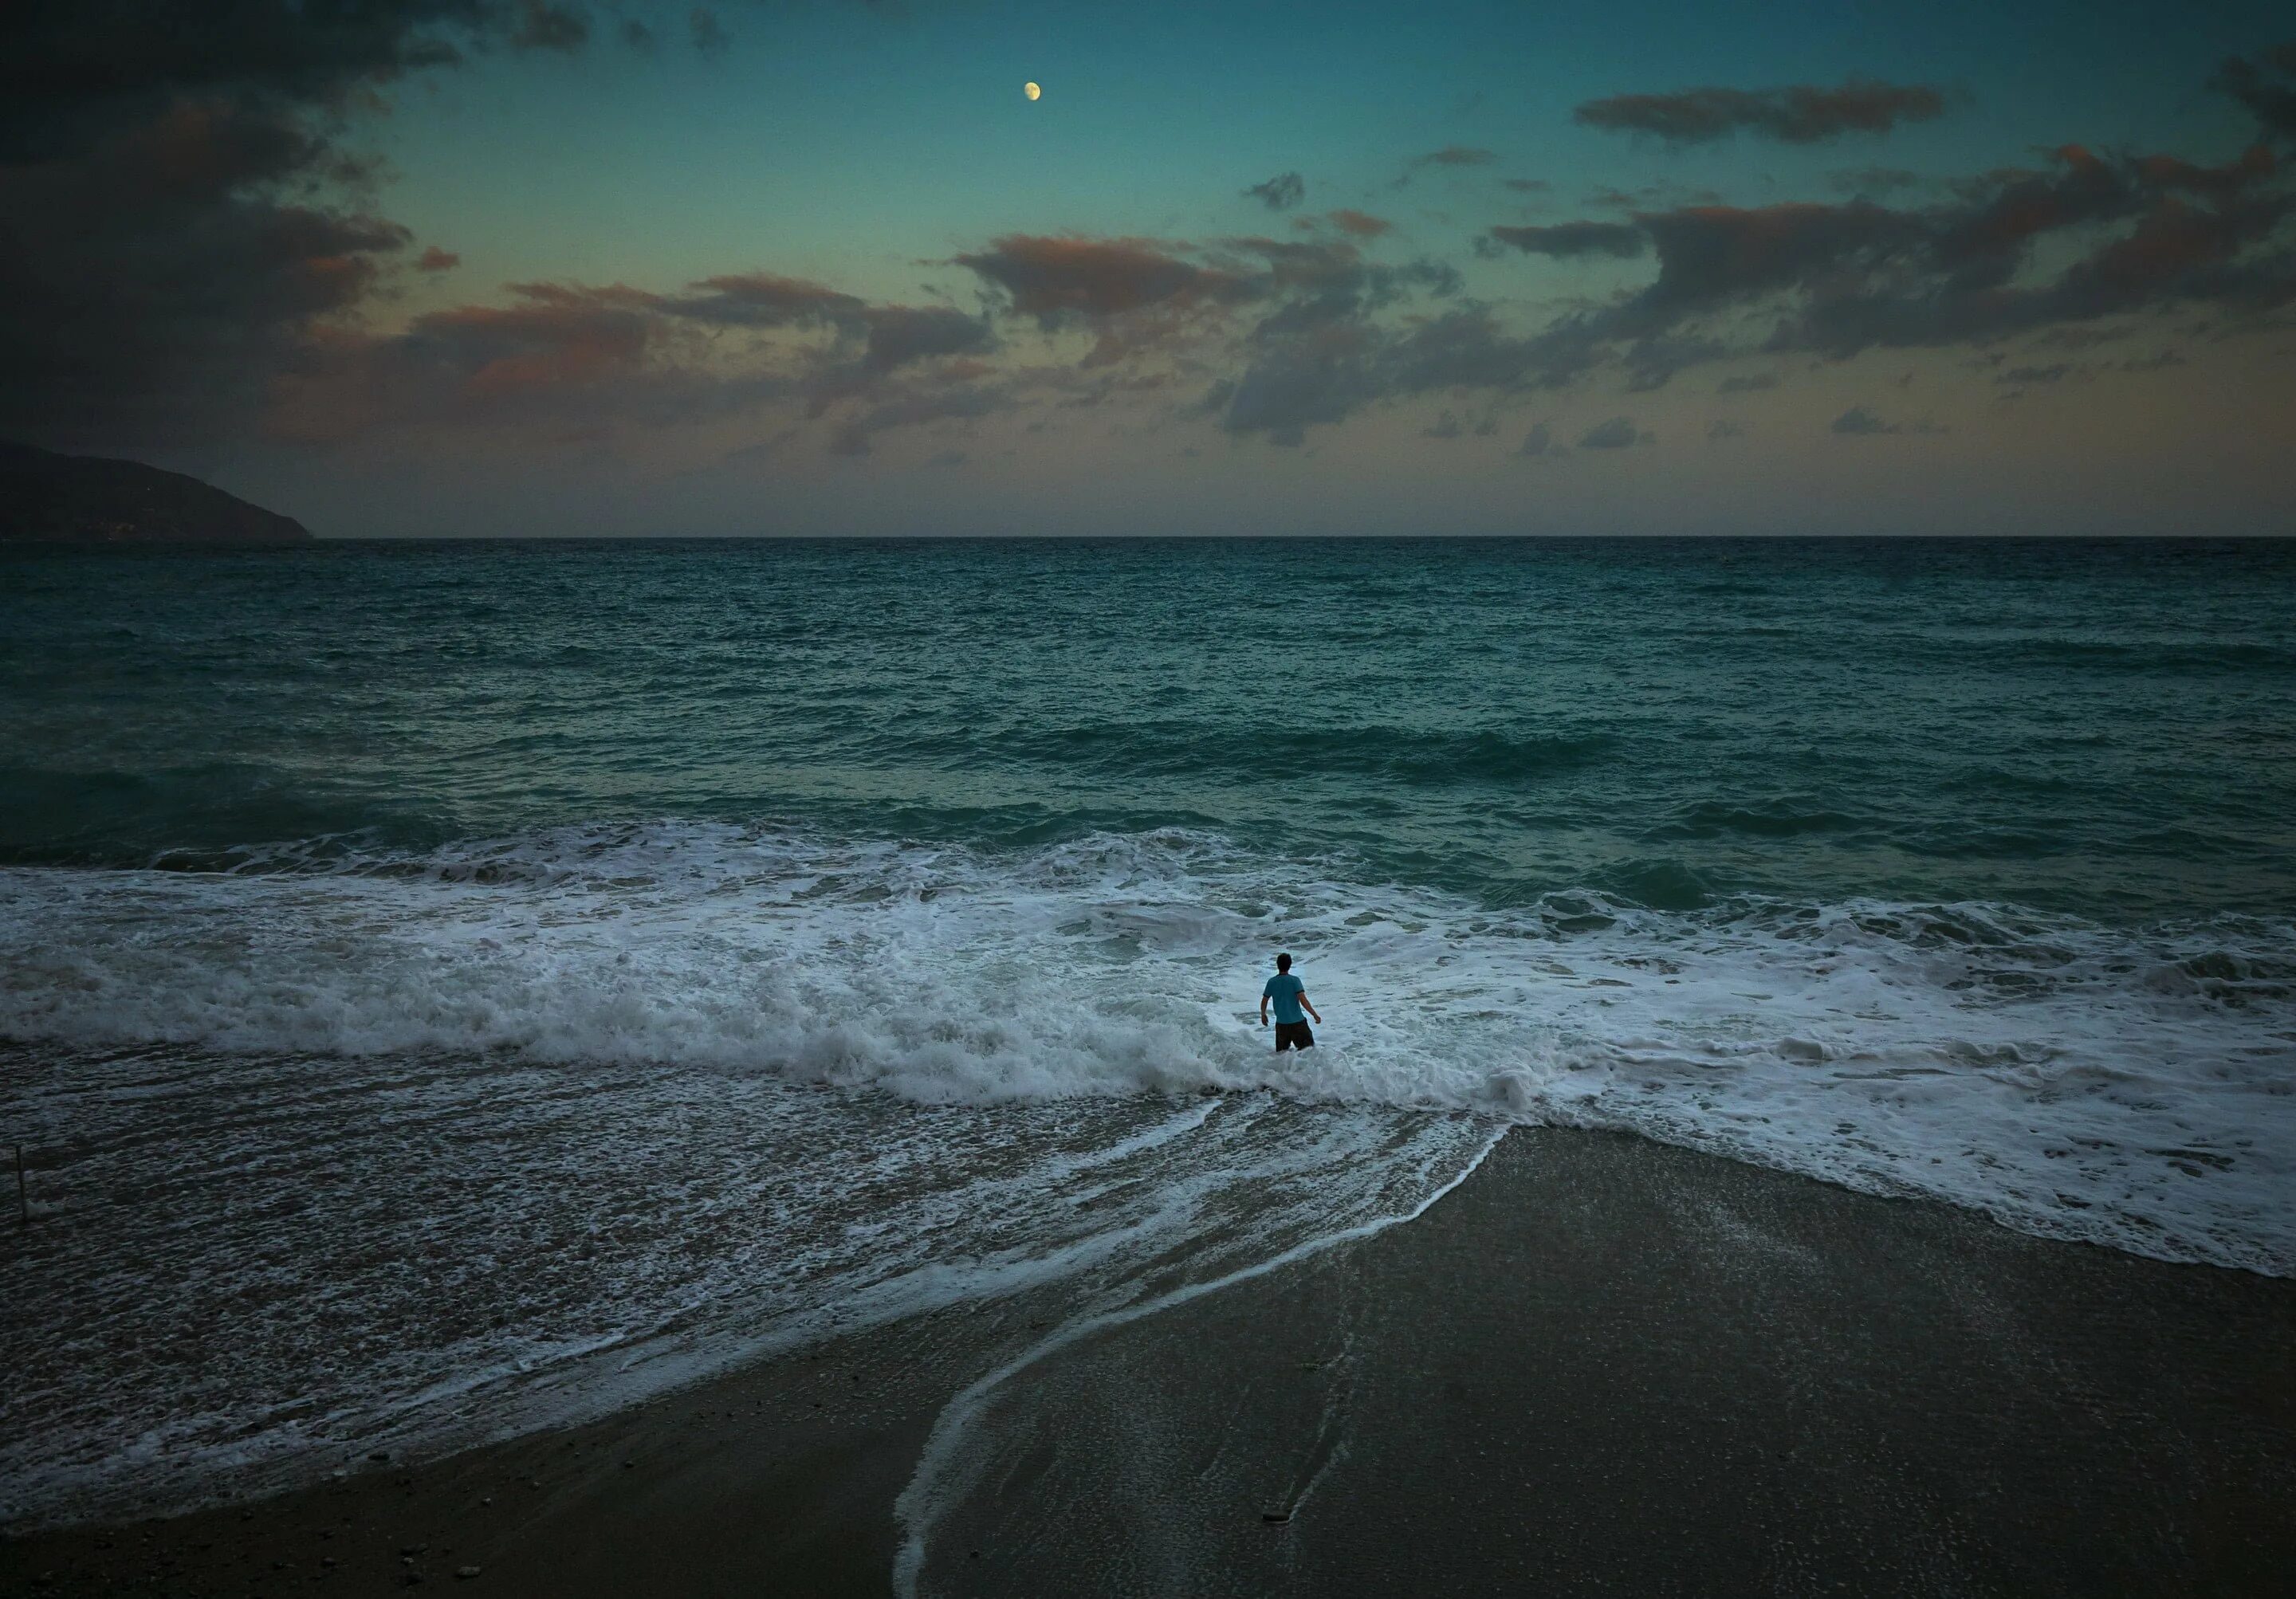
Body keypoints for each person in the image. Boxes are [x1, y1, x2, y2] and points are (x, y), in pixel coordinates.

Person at [1259, 952, 1322, 1052]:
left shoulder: (1272, 982)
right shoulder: (1294, 980)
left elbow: (1264, 1000)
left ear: (1278, 965)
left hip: (1281, 1026)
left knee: (1281, 1057)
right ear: (1290, 965)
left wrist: (1263, 1014)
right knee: (1309, 1054)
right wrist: (1314, 1014)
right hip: (1298, 1024)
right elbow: (1303, 1000)